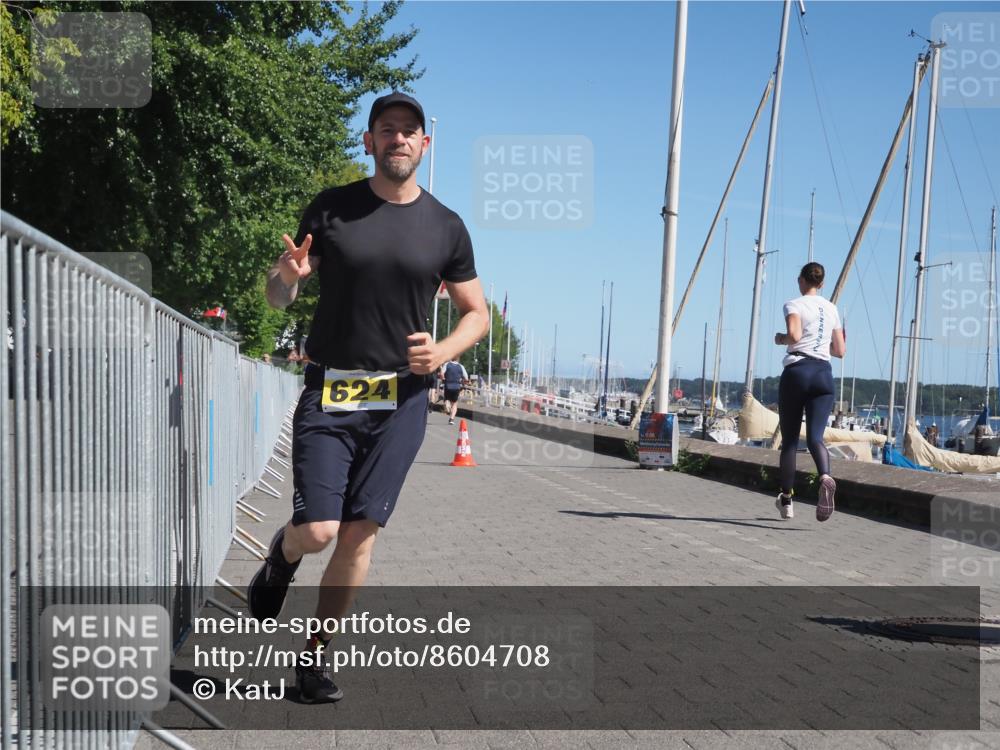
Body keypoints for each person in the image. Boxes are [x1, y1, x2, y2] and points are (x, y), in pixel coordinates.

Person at [250, 92, 489, 703]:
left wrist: (443, 354)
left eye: (410, 131)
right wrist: (286, 278)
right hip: (330, 393)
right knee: (321, 529)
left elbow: (476, 314)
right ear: (369, 141)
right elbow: (278, 298)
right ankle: (282, 552)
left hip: (403, 402)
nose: (399, 139)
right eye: (387, 130)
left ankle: (314, 659)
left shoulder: (446, 226)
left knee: (360, 535)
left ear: (424, 145)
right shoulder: (332, 210)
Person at [773, 262, 846, 522]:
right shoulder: (832, 309)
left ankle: (787, 500)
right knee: (816, 438)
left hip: (798, 371)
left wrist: (780, 338)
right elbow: (840, 350)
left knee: (790, 441)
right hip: (823, 375)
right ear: (822, 283)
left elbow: (793, 335)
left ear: (801, 280)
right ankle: (825, 476)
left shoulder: (794, 304)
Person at [441, 358, 468, 425]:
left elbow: (442, 373)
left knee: (447, 398)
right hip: (456, 386)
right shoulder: (461, 366)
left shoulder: (447, 364)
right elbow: (466, 378)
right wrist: (463, 383)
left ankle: (447, 404)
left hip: (448, 385)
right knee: (454, 403)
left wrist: (443, 379)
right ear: (458, 359)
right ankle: (451, 419)